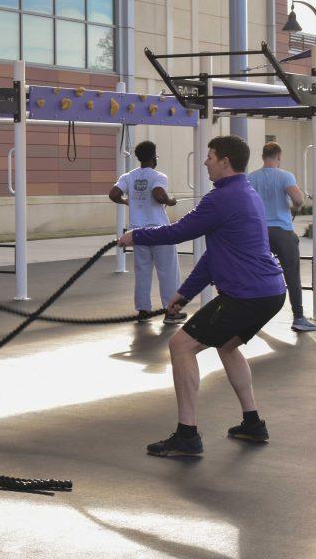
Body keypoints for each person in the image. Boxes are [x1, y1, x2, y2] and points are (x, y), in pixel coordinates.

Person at [118, 135, 286, 458]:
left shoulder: (221, 199)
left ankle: (187, 435)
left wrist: (135, 235)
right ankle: (253, 423)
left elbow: (177, 231)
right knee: (227, 345)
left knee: (180, 346)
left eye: (210, 156)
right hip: (270, 292)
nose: (205, 161)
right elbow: (213, 257)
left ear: (225, 162)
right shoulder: (244, 193)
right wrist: (183, 293)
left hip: (246, 294)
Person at [109, 140, 183, 324]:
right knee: (167, 272)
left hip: (138, 232)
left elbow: (113, 194)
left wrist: (127, 201)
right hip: (159, 231)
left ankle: (143, 311)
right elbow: (158, 195)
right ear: (153, 157)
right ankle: (171, 312)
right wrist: (170, 200)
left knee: (142, 272)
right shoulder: (159, 176)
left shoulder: (128, 176)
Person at [247, 143, 316, 332]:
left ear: (263, 157)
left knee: (257, 274)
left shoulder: (251, 177)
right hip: (282, 231)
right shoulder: (285, 176)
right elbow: (298, 199)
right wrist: (294, 204)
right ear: (278, 156)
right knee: (292, 275)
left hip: (259, 233)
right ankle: (298, 317)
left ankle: (253, 317)